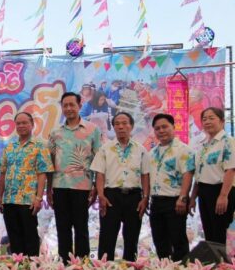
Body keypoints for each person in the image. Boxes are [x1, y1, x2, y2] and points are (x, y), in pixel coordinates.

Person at [47, 92, 102, 262]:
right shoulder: (55, 132)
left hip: (82, 186)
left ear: (79, 106)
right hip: (59, 186)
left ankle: (82, 265)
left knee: (81, 228)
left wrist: (96, 186)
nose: (69, 108)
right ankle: (64, 264)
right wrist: (48, 189)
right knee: (62, 228)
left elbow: (98, 161)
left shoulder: (92, 130)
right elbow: (50, 162)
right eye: (65, 105)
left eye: (72, 104)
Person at [90, 112, 150, 261]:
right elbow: (100, 174)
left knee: (132, 237)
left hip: (134, 196)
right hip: (111, 196)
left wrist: (145, 197)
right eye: (117, 124)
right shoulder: (104, 149)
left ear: (131, 126)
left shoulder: (141, 149)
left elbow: (145, 175)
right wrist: (101, 195)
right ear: (113, 127)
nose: (121, 126)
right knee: (107, 236)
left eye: (124, 123)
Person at [0, 112, 53, 256]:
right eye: (18, 123)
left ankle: (32, 267)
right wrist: (0, 197)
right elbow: (2, 173)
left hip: (28, 201)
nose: (21, 126)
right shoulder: (10, 147)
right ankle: (18, 267)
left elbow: (42, 173)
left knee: (30, 238)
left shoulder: (40, 146)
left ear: (32, 124)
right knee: (14, 239)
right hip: (9, 200)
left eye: (24, 123)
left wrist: (39, 198)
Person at [149, 113, 194, 261]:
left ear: (173, 127)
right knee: (159, 240)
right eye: (157, 128)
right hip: (156, 202)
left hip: (175, 201)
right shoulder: (152, 152)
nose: (161, 131)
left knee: (178, 240)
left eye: (164, 127)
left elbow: (188, 174)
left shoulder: (183, 150)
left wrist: (183, 198)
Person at [189, 107, 235, 244]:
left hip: (221, 190)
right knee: (209, 232)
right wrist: (193, 197)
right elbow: (199, 173)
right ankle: (213, 258)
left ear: (222, 121)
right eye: (204, 119)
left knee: (220, 233)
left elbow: (231, 170)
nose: (207, 121)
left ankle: (223, 258)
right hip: (204, 192)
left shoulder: (228, 142)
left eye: (211, 118)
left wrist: (223, 195)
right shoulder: (204, 145)